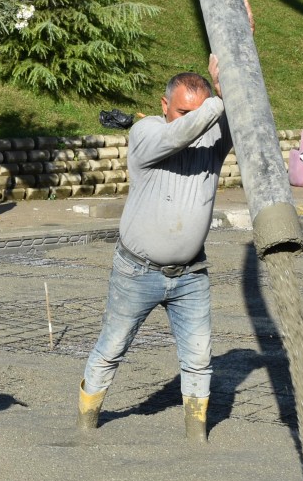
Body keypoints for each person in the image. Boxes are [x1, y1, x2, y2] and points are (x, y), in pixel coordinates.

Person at [78, 54, 232, 445]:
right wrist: (215, 103)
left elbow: (242, 108)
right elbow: (179, 133)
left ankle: (197, 436)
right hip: (136, 271)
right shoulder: (146, 132)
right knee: (111, 348)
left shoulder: (212, 140)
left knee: (198, 359)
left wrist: (234, 60)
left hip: (191, 276)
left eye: (198, 113)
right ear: (164, 106)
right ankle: (85, 426)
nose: (192, 122)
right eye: (183, 111)